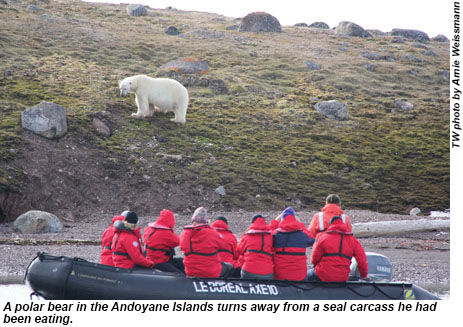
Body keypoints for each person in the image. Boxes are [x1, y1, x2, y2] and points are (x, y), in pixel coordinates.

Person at [307, 216, 369, 282]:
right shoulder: (353, 241)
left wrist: (315, 265)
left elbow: (315, 258)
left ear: (330, 225)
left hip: (322, 275)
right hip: (342, 277)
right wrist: (363, 275)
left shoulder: (323, 238)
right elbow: (362, 260)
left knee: (306, 275)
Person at [179, 207, 233, 278]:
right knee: (230, 266)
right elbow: (224, 244)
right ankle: (219, 286)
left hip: (190, 272)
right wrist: (210, 228)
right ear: (205, 221)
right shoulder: (212, 233)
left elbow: (181, 247)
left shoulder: (184, 233)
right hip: (210, 272)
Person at [271, 207, 315, 281]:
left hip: (280, 276)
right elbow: (311, 238)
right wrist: (300, 224)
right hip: (300, 277)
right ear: (295, 220)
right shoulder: (303, 235)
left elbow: (267, 235)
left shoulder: (276, 235)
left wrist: (275, 221)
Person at [236, 215, 274, 280]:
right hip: (267, 273)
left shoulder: (247, 236)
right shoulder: (270, 236)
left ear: (252, 223)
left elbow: (239, 250)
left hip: (248, 271)